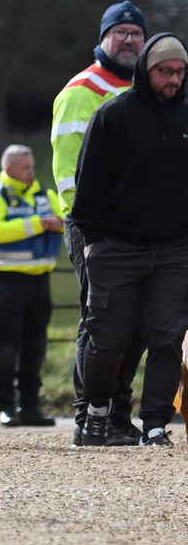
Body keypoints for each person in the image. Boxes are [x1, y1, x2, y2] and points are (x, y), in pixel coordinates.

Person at [71, 33, 188, 447]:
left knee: (167, 337)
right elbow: (88, 182)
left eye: (180, 72)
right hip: (116, 246)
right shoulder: (113, 115)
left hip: (174, 249)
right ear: (146, 70)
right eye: (164, 71)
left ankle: (155, 424)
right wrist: (92, 241)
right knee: (109, 339)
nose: (173, 80)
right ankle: (96, 411)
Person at [50, 0, 148, 446]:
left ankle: (117, 416)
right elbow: (68, 173)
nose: (128, 40)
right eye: (120, 32)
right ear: (104, 37)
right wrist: (91, 229)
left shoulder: (144, 90)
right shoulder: (81, 91)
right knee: (102, 322)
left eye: (136, 33)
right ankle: (88, 416)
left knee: (138, 324)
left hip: (138, 228)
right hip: (96, 228)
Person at [0, 145, 63, 428]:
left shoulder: (46, 195)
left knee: (35, 347)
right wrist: (40, 223)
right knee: (6, 347)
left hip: (40, 281)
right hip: (7, 281)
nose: (31, 172)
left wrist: (56, 223)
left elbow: (66, 219)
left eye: (32, 166)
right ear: (9, 169)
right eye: (25, 167)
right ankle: (5, 406)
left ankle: (30, 407)